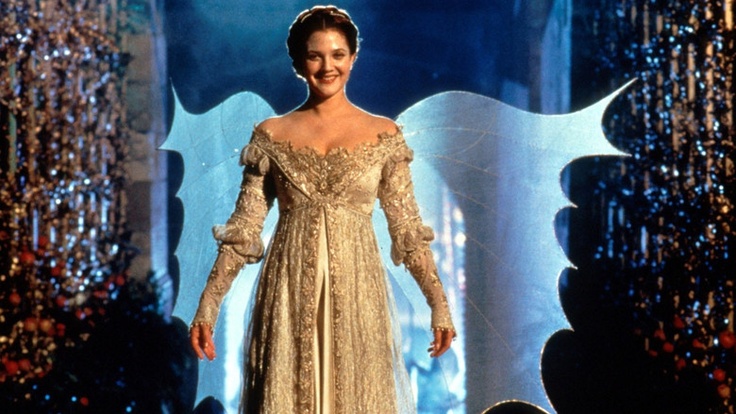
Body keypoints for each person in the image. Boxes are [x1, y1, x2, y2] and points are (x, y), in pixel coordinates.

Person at [189, 6, 455, 413]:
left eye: (338, 55)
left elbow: (408, 230)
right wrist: (208, 305)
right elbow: (243, 229)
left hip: (358, 297)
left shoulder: (384, 135)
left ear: (353, 58)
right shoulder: (271, 135)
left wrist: (439, 304)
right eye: (315, 56)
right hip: (288, 294)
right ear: (299, 63)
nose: (328, 66)